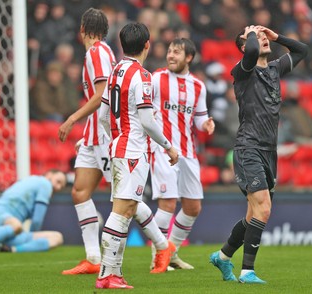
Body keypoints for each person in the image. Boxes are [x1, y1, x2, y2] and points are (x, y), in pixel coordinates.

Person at [59, 8, 177, 276]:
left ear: (83, 29)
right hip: (101, 135)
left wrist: (75, 120)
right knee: (80, 192)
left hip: (110, 137)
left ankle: (161, 244)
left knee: (125, 201)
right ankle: (94, 258)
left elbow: (103, 97)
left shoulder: (98, 53)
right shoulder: (118, 62)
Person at [209, 25, 308, 284]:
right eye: (256, 38)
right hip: (248, 147)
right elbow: (251, 49)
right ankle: (247, 272)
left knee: (253, 215)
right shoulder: (243, 71)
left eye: (265, 37)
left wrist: (277, 37)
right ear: (244, 47)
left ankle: (222, 256)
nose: (262, 40)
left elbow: (302, 50)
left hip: (268, 151)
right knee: (263, 210)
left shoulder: (275, 69)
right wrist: (251, 32)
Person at [96, 22, 179, 289]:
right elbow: (146, 120)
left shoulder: (115, 72)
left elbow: (102, 116)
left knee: (128, 209)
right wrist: (168, 145)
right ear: (147, 44)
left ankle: (114, 273)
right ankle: (107, 274)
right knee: (121, 212)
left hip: (119, 146)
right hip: (132, 151)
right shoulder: (141, 75)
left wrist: (116, 137)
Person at [150, 38, 215, 270]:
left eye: (176, 52)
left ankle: (172, 252)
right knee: (167, 203)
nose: (171, 56)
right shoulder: (156, 79)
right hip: (163, 149)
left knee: (193, 207)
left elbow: (198, 117)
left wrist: (205, 124)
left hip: (188, 151)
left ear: (189, 57)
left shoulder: (198, 86)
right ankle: (158, 258)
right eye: (169, 51)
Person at [0, 169, 67, 253]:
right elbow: (37, 220)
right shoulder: (45, 183)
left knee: (57, 237)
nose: (58, 187)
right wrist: (33, 237)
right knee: (17, 225)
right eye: (58, 181)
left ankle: (12, 249)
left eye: (62, 186)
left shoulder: (29, 180)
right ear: (48, 175)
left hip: (7, 236)